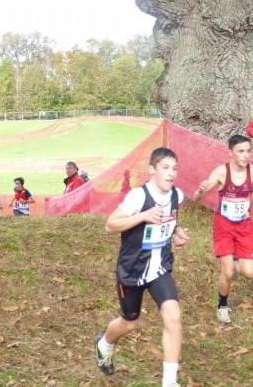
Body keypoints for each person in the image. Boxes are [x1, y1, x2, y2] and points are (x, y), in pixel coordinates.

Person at [94, 147, 189, 387]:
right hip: (132, 271)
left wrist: (176, 232)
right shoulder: (138, 196)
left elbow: (170, 219)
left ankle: (169, 382)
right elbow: (110, 225)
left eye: (174, 168)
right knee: (130, 322)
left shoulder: (177, 195)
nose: (171, 173)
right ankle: (104, 343)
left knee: (173, 316)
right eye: (165, 168)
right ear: (151, 171)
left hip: (159, 269)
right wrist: (143, 216)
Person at [193, 134, 253, 324]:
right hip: (224, 227)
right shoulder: (221, 172)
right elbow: (197, 197)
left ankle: (236, 259)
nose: (246, 155)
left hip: (244, 226)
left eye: (248, 151)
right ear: (230, 153)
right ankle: (222, 305)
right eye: (241, 151)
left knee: (248, 272)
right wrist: (201, 190)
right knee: (227, 272)